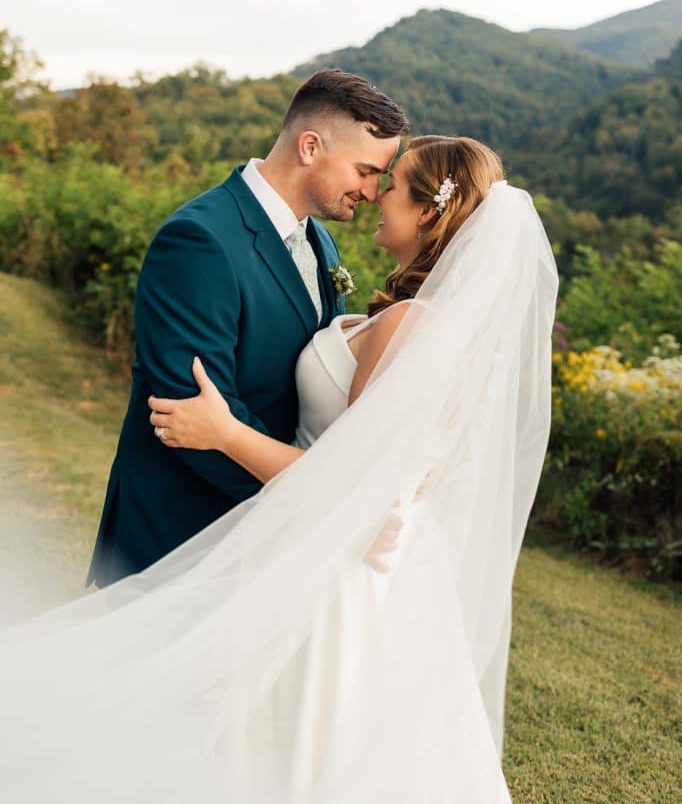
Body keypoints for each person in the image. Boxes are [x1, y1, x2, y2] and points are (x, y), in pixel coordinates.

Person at [0, 135, 558, 803]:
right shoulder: (396, 308)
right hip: (324, 547)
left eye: (393, 183)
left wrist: (225, 432)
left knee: (297, 748)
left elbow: (353, 482)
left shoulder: (411, 323)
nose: (376, 193)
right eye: (373, 173)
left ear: (431, 213)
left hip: (338, 569)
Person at [86, 69, 407, 587]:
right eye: (365, 171)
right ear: (309, 147)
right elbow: (189, 413)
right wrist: (305, 501)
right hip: (180, 540)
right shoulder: (199, 240)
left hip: (260, 544)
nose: (372, 193)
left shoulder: (320, 243)